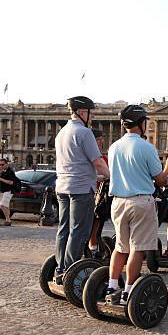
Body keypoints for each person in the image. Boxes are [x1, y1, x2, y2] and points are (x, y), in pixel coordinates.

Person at [105, 105, 168, 305]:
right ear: (141, 124)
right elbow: (159, 180)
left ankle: (111, 286)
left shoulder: (114, 146)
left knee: (120, 247)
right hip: (140, 201)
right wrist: (167, 171)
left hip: (118, 202)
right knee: (137, 248)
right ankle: (128, 292)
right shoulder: (146, 147)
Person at [53, 96, 110, 284]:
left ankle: (60, 268)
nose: (92, 117)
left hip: (62, 187)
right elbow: (98, 162)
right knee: (79, 231)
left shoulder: (61, 133)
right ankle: (69, 272)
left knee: (64, 230)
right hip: (80, 190)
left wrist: (96, 176)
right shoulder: (85, 133)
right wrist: (113, 177)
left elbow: (75, 164)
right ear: (82, 112)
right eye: (91, 113)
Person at [88, 128, 109, 254]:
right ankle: (92, 245)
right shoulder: (91, 155)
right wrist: (105, 177)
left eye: (102, 140)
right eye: (98, 140)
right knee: (93, 220)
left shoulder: (103, 157)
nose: (101, 142)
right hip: (92, 191)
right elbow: (89, 174)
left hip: (102, 193)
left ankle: (95, 243)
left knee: (99, 219)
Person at [0, 158, 16, 226]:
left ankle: (8, 219)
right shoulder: (3, 171)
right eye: (0, 165)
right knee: (6, 206)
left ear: (6, 164)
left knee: (2, 205)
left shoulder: (10, 172)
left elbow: (11, 182)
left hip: (8, 191)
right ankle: (8, 220)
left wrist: (0, 179)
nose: (1, 166)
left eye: (2, 164)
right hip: (3, 191)